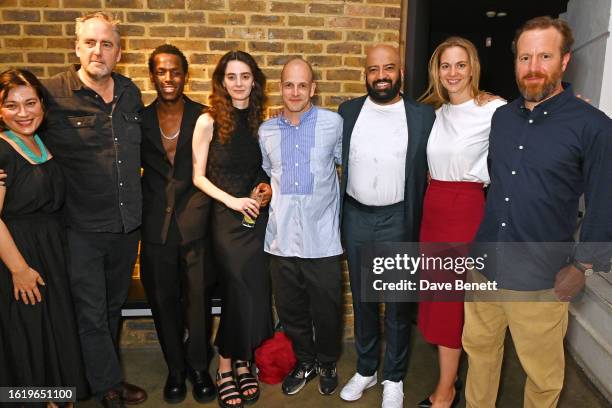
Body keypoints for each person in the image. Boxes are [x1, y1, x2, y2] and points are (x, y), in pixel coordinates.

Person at [463, 16, 612, 408]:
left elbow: (605, 201)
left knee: (542, 377)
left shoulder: (594, 127)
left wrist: (582, 268)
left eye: (544, 55)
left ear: (564, 61)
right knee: (479, 357)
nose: (533, 66)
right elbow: (499, 185)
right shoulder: (502, 118)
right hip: (484, 268)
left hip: (542, 280)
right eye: (525, 57)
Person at [39, 11, 146, 407]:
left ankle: (104, 376)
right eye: (90, 42)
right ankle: (108, 389)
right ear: (76, 47)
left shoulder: (130, 92)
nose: (97, 51)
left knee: (113, 306)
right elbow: (19, 130)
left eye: (106, 44)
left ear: (119, 52)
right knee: (91, 312)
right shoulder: (51, 93)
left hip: (125, 226)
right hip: (81, 227)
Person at [338, 44, 436, 408]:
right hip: (356, 216)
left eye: (389, 68)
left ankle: (393, 377)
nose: (381, 75)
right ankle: (367, 370)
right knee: (364, 300)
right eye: (373, 69)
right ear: (365, 74)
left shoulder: (423, 116)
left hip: (397, 217)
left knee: (396, 303)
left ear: (401, 73)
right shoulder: (347, 112)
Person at [416, 37, 505, 408]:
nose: (452, 73)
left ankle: (445, 392)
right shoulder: (434, 113)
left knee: (452, 302)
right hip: (433, 206)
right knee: (438, 299)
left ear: (473, 68)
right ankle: (449, 383)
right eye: (445, 65)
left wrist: (567, 106)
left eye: (460, 64)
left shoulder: (495, 109)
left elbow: (532, 131)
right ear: (437, 71)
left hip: (465, 207)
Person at [0, 68, 88, 407]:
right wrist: (18, 269)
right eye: (12, 105)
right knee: (27, 340)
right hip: (19, 256)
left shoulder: (40, 141)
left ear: (42, 105)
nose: (23, 113)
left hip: (51, 250)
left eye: (30, 103)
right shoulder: (4, 150)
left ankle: (54, 399)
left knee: (51, 332)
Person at [258, 58, 344, 397]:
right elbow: (269, 173)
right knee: (290, 308)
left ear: (313, 88)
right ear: (281, 88)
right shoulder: (266, 130)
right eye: (289, 85)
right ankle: (305, 360)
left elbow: (343, 162)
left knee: (328, 308)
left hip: (322, 237)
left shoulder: (333, 124)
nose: (295, 92)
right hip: (280, 239)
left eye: (302, 85)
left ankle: (327, 361)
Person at [192, 50, 273, 408]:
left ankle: (242, 361)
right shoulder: (207, 120)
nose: (238, 83)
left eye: (244, 76)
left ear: (254, 81)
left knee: (251, 292)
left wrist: (263, 189)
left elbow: (260, 170)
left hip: (255, 218)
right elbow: (198, 177)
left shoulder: (261, 121)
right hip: (226, 218)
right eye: (231, 77)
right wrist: (234, 201)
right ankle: (226, 364)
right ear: (221, 82)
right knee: (238, 288)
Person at [140, 44, 216, 404]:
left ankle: (199, 367)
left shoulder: (205, 115)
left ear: (186, 75)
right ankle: (175, 368)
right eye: (161, 71)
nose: (168, 78)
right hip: (155, 225)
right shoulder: (138, 120)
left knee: (198, 300)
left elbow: (219, 168)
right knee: (163, 299)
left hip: (196, 223)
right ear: (152, 75)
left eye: (175, 71)